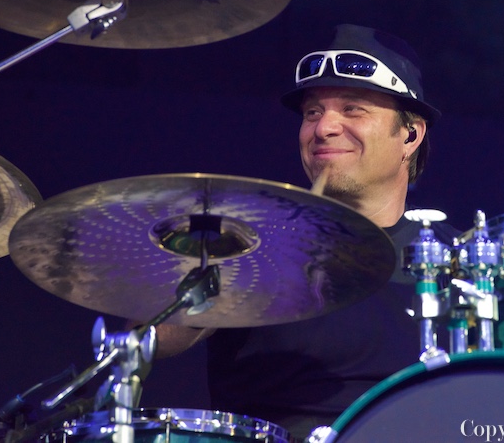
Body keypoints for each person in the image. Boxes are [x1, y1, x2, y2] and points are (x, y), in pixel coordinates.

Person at [156, 24, 456, 441]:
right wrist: (230, 268)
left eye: (353, 108)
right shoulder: (253, 238)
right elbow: (154, 338)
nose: (324, 127)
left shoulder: (460, 264)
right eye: (313, 112)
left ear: (410, 134)